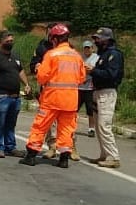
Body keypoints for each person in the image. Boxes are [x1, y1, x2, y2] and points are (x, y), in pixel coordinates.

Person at [20, 23, 85, 168]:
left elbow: (42, 77)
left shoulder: (51, 54)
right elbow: (81, 78)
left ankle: (31, 155)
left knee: (40, 126)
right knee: (66, 129)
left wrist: (39, 69)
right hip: (70, 100)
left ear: (55, 39)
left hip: (52, 99)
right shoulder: (77, 56)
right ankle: (63, 159)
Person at [0, 30, 32, 158]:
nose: (10, 43)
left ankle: (11, 147)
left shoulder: (15, 55)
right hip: (0, 96)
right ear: (0, 42)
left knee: (11, 124)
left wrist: (26, 84)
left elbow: (20, 71)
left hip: (15, 97)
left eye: (11, 40)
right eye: (7, 41)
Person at [88, 27, 124, 168]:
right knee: (98, 126)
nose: (96, 41)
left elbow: (112, 75)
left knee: (104, 125)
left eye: (98, 38)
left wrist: (93, 71)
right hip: (98, 91)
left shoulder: (114, 55)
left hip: (107, 92)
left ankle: (113, 156)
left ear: (107, 39)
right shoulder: (102, 54)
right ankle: (105, 154)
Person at [29, 22, 57, 158]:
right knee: (48, 119)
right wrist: (37, 66)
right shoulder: (42, 47)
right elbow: (32, 64)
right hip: (47, 88)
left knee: (67, 120)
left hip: (64, 91)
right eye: (49, 32)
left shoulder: (67, 47)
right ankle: (52, 146)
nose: (51, 35)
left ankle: (69, 147)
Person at [78, 40, 98, 137]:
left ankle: (91, 128)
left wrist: (84, 71)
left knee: (90, 109)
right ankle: (71, 127)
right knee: (74, 108)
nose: (87, 50)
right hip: (79, 87)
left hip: (90, 87)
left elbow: (91, 70)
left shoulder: (95, 57)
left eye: (88, 48)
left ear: (92, 48)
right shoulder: (80, 57)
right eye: (85, 48)